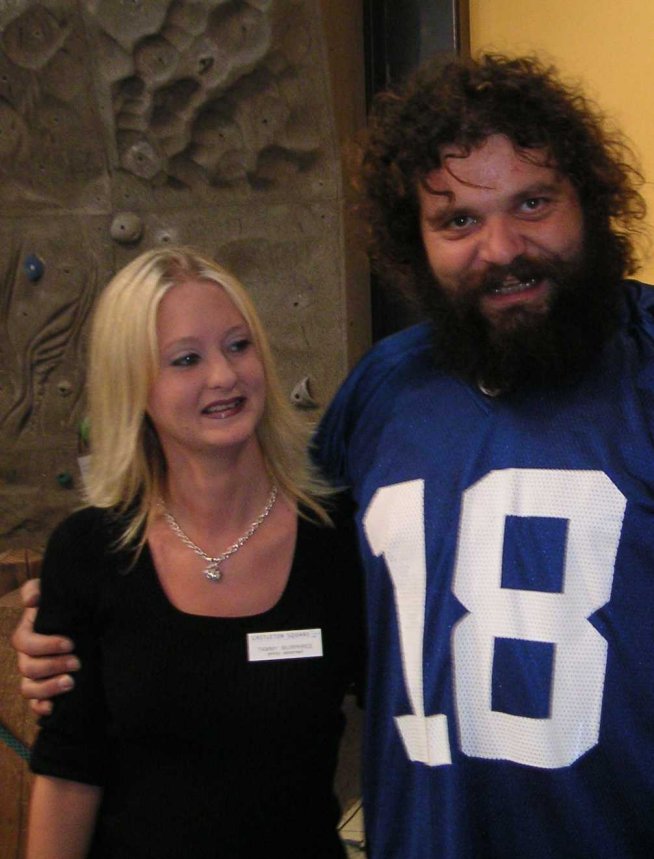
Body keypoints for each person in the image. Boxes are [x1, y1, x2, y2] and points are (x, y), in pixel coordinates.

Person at [13, 52, 654, 857]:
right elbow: (276, 555)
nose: (501, 247)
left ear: (590, 199)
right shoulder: (385, 391)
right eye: (457, 221)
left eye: (533, 202)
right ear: (414, 242)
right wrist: (76, 625)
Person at [19, 246, 363, 859]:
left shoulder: (339, 536)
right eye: (186, 359)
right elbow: (69, 771)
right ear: (133, 385)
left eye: (239, 345)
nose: (224, 376)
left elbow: (404, 708)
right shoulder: (90, 552)